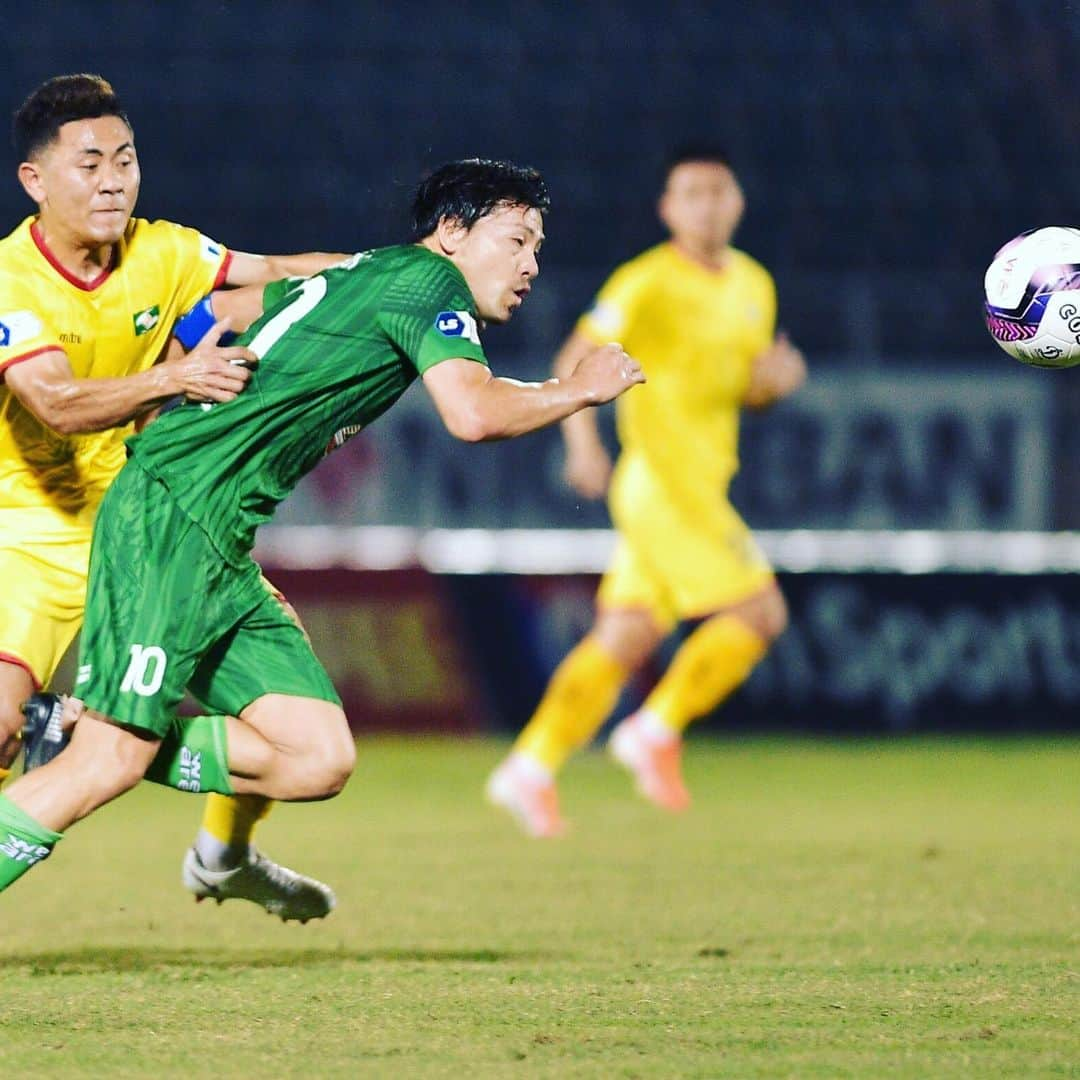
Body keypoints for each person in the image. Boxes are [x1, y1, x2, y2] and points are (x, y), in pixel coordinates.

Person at [0, 157, 645, 901]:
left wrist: (166, 400)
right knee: (101, 765)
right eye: (516, 239)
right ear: (451, 231)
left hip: (218, 539)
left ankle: (85, 730)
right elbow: (474, 414)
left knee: (316, 757)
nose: (531, 263)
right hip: (175, 518)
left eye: (538, 247)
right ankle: (101, 740)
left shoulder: (371, 272)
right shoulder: (429, 284)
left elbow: (225, 309)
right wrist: (578, 391)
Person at [0, 73, 348, 917]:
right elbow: (54, 401)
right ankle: (59, 739)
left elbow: (279, 272)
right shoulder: (10, 280)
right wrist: (180, 373)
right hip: (31, 535)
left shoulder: (167, 251)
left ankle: (222, 847)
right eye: (89, 163)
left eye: (126, 158)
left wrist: (387, 278)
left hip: (153, 530)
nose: (114, 178)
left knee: (301, 737)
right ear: (35, 181)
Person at [486, 144, 806, 837]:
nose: (707, 205)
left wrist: (772, 387)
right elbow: (575, 354)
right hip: (661, 485)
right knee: (760, 613)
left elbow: (745, 389)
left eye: (718, 191)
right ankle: (654, 730)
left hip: (701, 479)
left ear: (738, 202)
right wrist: (581, 439)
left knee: (624, 636)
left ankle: (530, 766)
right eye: (691, 193)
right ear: (668, 208)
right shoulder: (646, 282)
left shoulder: (753, 284)